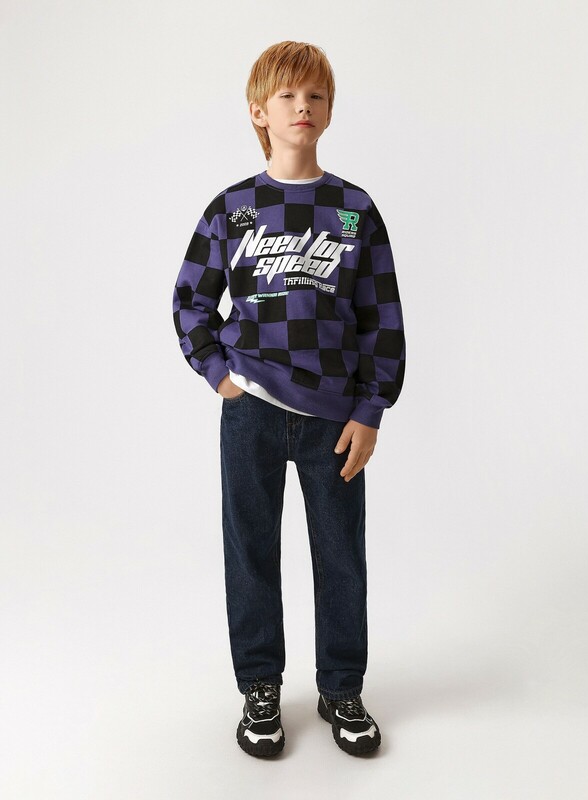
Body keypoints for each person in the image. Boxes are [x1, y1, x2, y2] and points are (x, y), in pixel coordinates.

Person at [172, 40, 406, 758]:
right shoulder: (233, 209)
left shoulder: (354, 209)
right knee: (251, 552)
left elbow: (381, 317)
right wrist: (220, 375)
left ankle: (342, 688)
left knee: (341, 557)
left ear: (329, 112)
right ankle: (260, 689)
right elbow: (190, 301)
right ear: (259, 112)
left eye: (316, 97)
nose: (302, 107)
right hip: (251, 414)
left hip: (334, 418)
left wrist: (370, 409)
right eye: (288, 97)